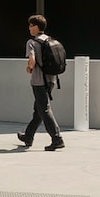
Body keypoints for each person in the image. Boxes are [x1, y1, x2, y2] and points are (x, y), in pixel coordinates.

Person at [19, 14, 64, 150]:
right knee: (38, 109)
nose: (29, 28)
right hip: (52, 80)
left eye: (31, 25)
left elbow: (32, 60)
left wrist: (29, 68)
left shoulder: (32, 42)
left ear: (36, 27)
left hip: (39, 81)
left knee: (44, 109)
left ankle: (57, 139)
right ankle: (28, 135)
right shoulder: (50, 40)